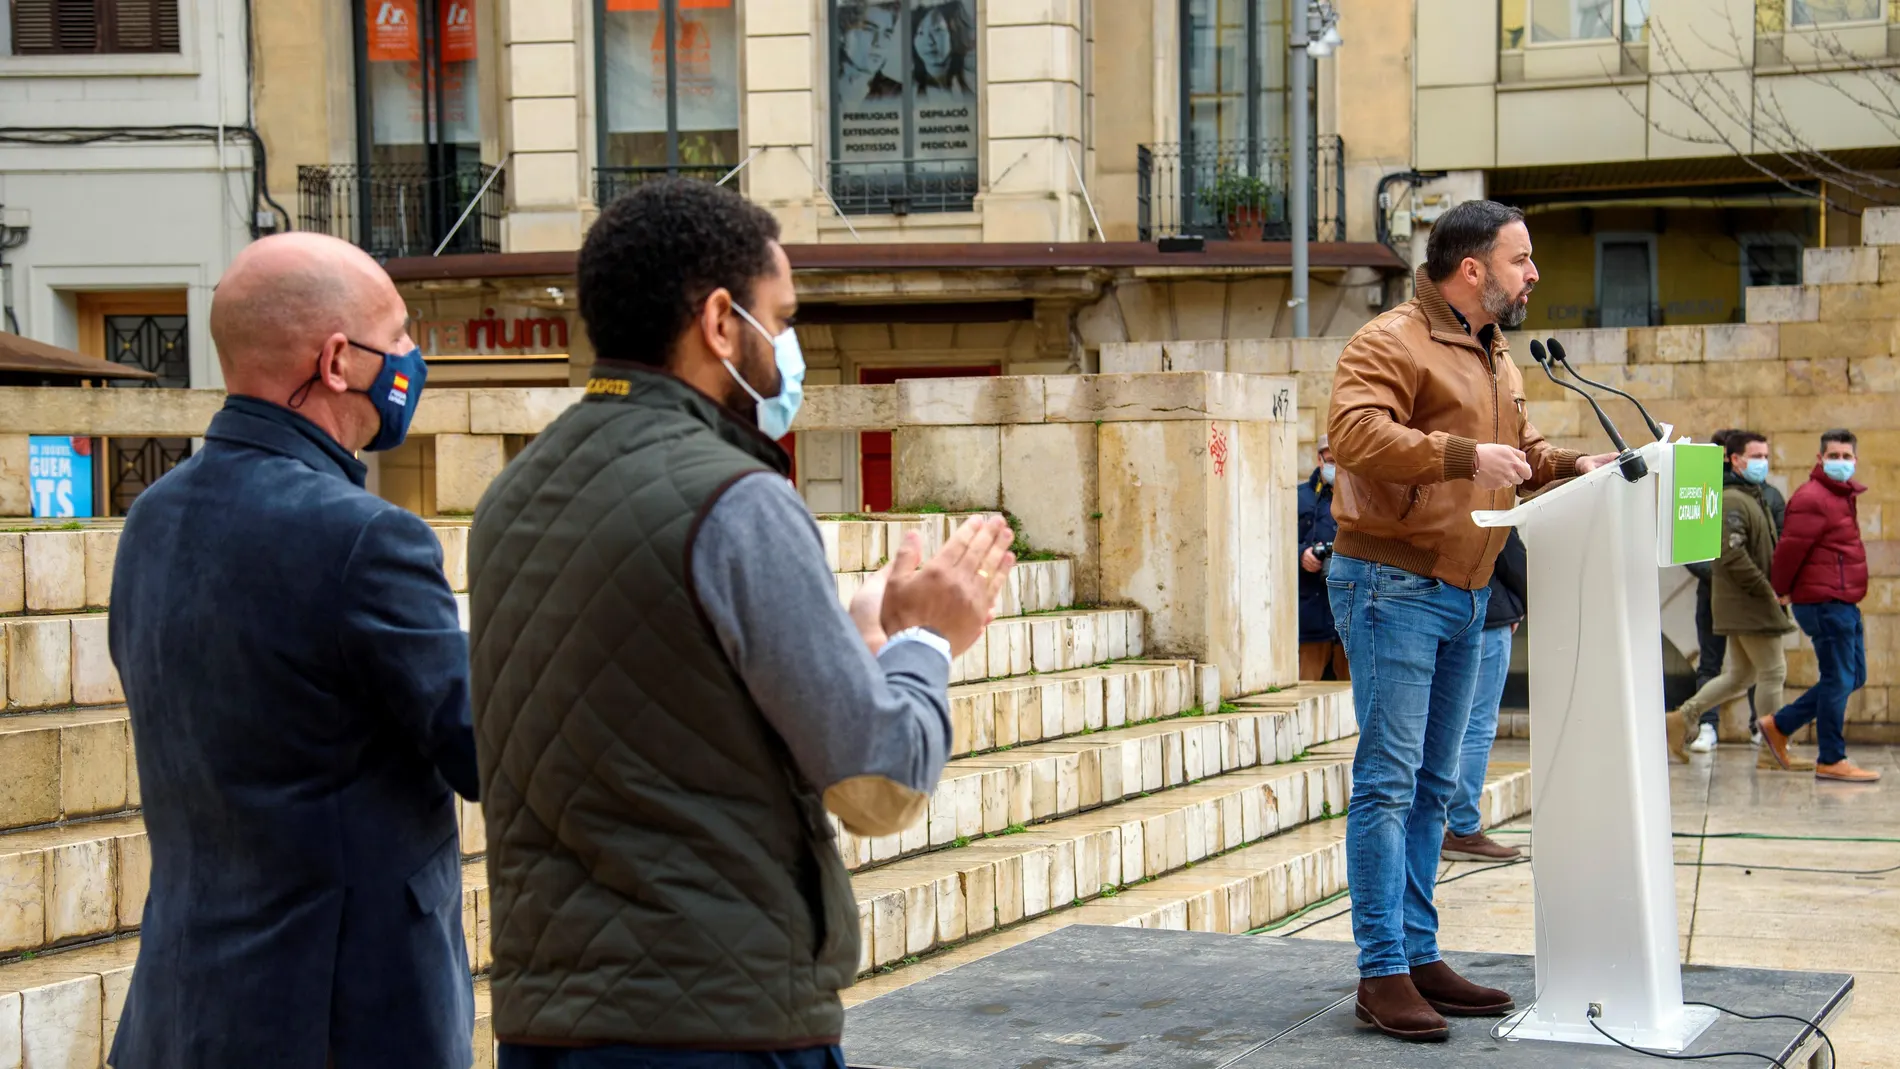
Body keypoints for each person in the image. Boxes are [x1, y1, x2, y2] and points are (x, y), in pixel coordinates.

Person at [469, 178, 1015, 1068]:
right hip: (717, 1019)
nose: (788, 349)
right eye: (782, 317)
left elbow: (660, 680)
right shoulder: (736, 498)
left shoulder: (513, 494)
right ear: (722, 324)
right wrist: (925, 638)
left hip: (547, 1015)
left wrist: (849, 627)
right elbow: (878, 781)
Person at [107, 233, 478, 1069]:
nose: (415, 358)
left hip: (179, 1011)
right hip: (346, 1022)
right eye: (402, 335)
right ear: (339, 359)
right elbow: (487, 747)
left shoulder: (150, 519)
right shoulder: (367, 539)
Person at [1326, 199, 1616, 1042]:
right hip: (1392, 584)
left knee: (1430, 787)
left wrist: (1573, 463)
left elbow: (1517, 452)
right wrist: (1460, 456)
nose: (1534, 274)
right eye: (1522, 259)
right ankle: (1380, 972)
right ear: (1473, 268)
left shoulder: (1496, 356)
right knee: (1386, 781)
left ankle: (1418, 955)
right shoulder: (1390, 340)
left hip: (1467, 590)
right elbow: (1352, 433)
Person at [1665, 431, 1799, 768]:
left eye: (1765, 455)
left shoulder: (1750, 495)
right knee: (1773, 671)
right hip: (1750, 603)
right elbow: (1731, 554)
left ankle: (1680, 720)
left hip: (1746, 602)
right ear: (1734, 459)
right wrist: (1766, 588)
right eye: (1755, 456)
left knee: (1741, 676)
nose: (1762, 462)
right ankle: (1772, 746)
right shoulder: (1734, 499)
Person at [1763, 429, 1882, 782]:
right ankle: (1831, 757)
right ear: (1820, 459)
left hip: (1841, 601)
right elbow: (1789, 548)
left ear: (1856, 461)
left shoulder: (1839, 496)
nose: (1841, 463)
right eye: (1834, 456)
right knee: (1838, 678)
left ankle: (1780, 724)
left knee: (1853, 676)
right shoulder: (1813, 497)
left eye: (1847, 457)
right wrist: (1781, 588)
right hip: (1825, 602)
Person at [1441, 529, 1526, 863]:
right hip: (1486, 613)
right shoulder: (1487, 489)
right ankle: (1463, 829)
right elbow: (1514, 560)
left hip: (1436, 612)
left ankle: (1436, 824)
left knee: (1443, 726)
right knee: (1476, 726)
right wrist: (1516, 607)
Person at [1297, 434, 1348, 681]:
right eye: (1330, 460)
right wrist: (1302, 554)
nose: (1336, 468)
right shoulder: (1300, 497)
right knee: (1306, 687)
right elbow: (1275, 543)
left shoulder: (1362, 497)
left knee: (1354, 698)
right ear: (1319, 460)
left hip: (1349, 618)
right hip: (1310, 615)